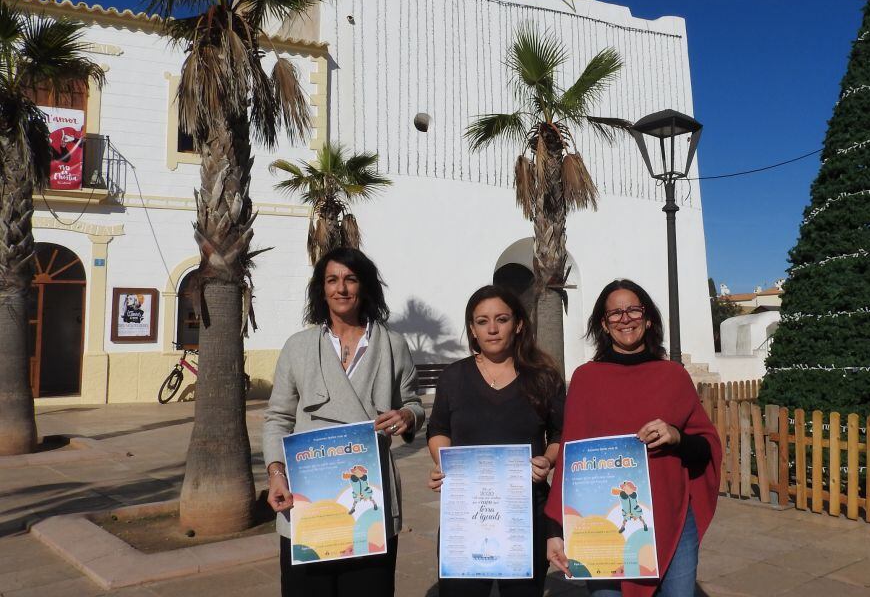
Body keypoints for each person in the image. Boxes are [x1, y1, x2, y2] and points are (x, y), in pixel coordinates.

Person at [263, 247, 425, 597]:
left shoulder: (393, 345)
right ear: (321, 289)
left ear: (364, 286)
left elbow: (413, 403)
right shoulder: (298, 346)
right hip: (308, 498)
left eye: (350, 279)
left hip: (370, 498)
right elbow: (278, 417)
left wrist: (407, 416)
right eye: (332, 280)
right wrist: (276, 474)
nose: (341, 288)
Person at [544, 279, 722, 597]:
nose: (625, 318)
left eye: (633, 310)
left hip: (673, 520)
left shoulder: (674, 376)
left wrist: (677, 436)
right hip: (603, 527)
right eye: (614, 313)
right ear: (604, 323)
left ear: (648, 318)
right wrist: (557, 529)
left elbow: (705, 450)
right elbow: (572, 458)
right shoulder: (586, 380)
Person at [427, 285, 565, 597]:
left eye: (501, 319)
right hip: (465, 515)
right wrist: (443, 462)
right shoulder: (453, 377)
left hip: (526, 512)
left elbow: (560, 433)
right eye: (482, 321)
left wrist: (548, 459)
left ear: (518, 324)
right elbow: (438, 428)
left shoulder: (543, 376)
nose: (492, 328)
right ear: (472, 329)